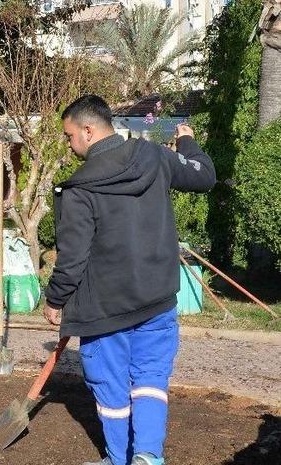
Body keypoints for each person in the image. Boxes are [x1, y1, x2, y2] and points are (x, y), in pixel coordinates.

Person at [42, 95, 216, 465]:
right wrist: (186, 141)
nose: (69, 144)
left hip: (105, 309)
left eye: (70, 136)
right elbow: (204, 175)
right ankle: (148, 457)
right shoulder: (154, 156)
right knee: (151, 377)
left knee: (110, 383)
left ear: (88, 131)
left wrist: (55, 299)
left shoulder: (79, 189)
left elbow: (72, 259)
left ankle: (118, 458)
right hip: (157, 299)